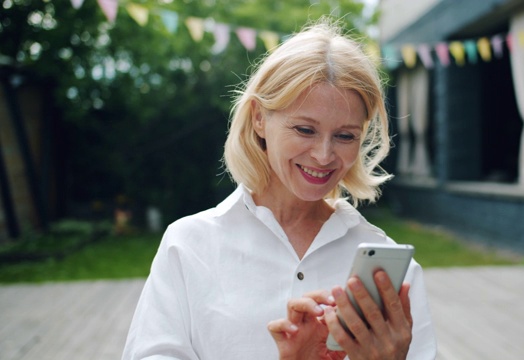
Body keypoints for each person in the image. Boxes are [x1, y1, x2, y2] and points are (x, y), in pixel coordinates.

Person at [122, 20, 437, 360]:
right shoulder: (188, 246)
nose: (324, 155)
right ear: (259, 118)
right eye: (305, 129)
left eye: (345, 136)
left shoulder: (389, 267)